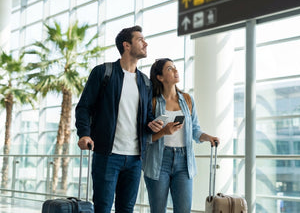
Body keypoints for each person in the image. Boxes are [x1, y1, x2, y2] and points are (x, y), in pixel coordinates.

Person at [75, 26, 162, 213]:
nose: (146, 43)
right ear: (127, 45)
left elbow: (146, 117)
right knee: (103, 208)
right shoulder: (103, 72)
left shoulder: (145, 82)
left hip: (135, 158)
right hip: (107, 155)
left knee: (126, 209)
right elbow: (84, 107)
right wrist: (84, 134)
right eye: (140, 40)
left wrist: (152, 124)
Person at [143, 58, 220, 213]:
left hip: (184, 163)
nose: (176, 71)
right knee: (157, 210)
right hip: (159, 161)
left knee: (184, 210)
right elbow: (145, 138)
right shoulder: (152, 102)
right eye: (170, 69)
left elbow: (195, 130)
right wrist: (164, 131)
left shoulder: (187, 99)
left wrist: (208, 137)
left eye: (175, 67)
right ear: (160, 77)